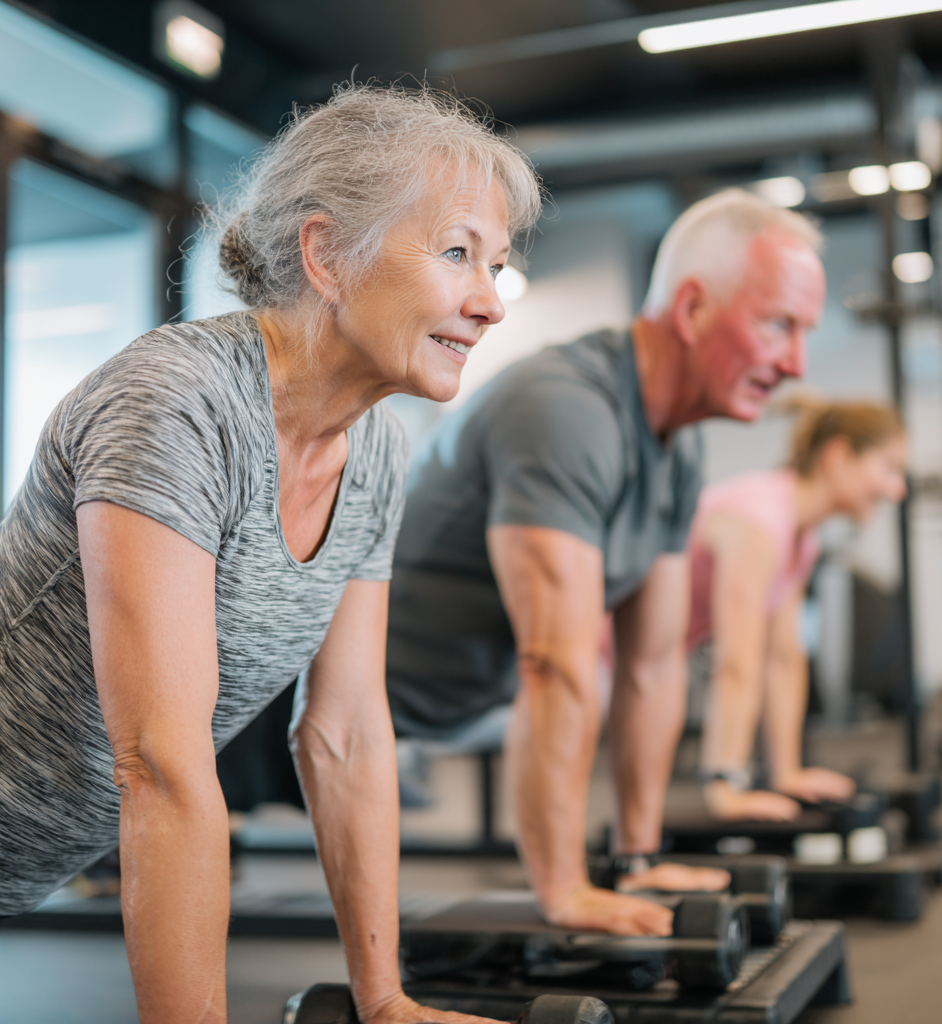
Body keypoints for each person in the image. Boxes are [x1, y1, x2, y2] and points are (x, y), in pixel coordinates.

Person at [0, 84, 540, 1024]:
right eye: (458, 253)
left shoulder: (372, 449)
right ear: (326, 254)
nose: (490, 302)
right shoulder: (179, 403)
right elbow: (161, 768)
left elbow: (347, 733)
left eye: (496, 265)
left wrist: (384, 1001)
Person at [385, 189, 827, 937]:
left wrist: (633, 858)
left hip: (436, 712)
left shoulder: (678, 444)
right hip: (282, 714)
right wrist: (563, 891)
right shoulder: (566, 408)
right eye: (777, 325)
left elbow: (650, 666)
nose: (796, 364)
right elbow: (553, 664)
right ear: (691, 311)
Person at [689, 398, 907, 821]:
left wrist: (786, 772)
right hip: (601, 656)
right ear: (839, 457)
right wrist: (724, 787)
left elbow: (783, 657)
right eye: (888, 468)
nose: (897, 489)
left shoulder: (799, 536)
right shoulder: (760, 522)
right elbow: (736, 662)